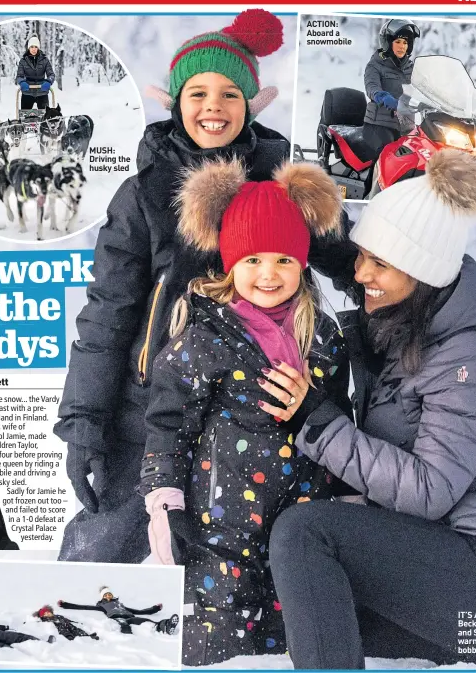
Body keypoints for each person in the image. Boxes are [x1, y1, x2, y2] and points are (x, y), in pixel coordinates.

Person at [53, 9, 354, 564]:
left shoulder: (285, 178)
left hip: (260, 400)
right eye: (197, 93)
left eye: (229, 94)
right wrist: (84, 421)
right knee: (105, 544)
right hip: (152, 403)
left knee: (247, 557)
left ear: (250, 103)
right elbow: (108, 312)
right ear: (174, 102)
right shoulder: (142, 195)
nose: (213, 107)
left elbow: (351, 261)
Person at [268, 149, 476, 670]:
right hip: (442, 572)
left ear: (421, 272)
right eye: (362, 254)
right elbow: (361, 265)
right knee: (295, 616)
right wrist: (298, 208)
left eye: (379, 263)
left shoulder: (473, 352)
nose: (361, 272)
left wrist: (317, 423)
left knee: (304, 533)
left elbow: (431, 490)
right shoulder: (417, 305)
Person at [139, 159, 351, 666]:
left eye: (283, 259)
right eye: (253, 259)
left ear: (302, 263)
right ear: (232, 262)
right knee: (219, 639)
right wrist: (165, 502)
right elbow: (169, 425)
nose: (268, 274)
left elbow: (339, 419)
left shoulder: (323, 337)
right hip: (220, 528)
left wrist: (348, 495)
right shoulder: (206, 336)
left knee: (291, 638)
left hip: (300, 524)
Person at [363, 19, 420, 158]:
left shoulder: (411, 68)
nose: (402, 46)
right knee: (387, 157)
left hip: (406, 127)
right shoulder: (375, 65)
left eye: (405, 43)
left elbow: (426, 88)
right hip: (379, 125)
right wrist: (382, 96)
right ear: (388, 42)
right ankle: (373, 179)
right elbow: (371, 86)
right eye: (398, 42)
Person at [57, 587, 178, 635]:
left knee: (144, 620)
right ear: (103, 597)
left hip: (129, 616)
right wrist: (65, 605)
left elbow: (139, 611)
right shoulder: (102, 606)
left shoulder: (121, 605)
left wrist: (155, 608)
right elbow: (84, 607)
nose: (108, 596)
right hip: (116, 617)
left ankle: (165, 625)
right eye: (106, 595)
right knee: (125, 626)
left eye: (109, 594)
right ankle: (129, 639)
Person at [16, 35, 55, 110]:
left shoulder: (45, 60)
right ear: (29, 48)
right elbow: (19, 76)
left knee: (44, 117)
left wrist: (49, 82)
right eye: (32, 47)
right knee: (25, 117)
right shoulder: (23, 61)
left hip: (42, 91)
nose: (34, 49)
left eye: (36, 47)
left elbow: (51, 74)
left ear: (38, 48)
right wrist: (22, 82)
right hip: (27, 92)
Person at [33, 605, 99, 641]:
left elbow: (66, 619)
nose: (47, 614)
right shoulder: (46, 620)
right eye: (45, 614)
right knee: (63, 630)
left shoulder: (58, 616)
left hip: (67, 625)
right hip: (61, 629)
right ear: (43, 616)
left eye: (47, 612)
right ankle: (70, 637)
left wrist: (72, 622)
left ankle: (87, 636)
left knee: (76, 629)